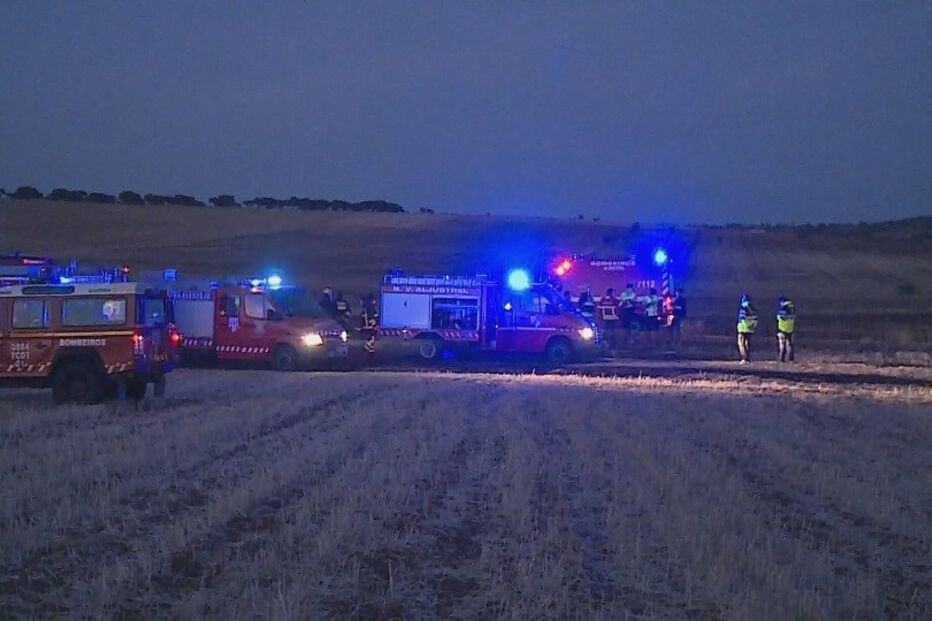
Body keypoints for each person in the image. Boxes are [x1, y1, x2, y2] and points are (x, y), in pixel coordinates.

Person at [596, 287, 621, 354]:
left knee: (606, 334)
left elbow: (599, 310)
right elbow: (619, 307)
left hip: (605, 319)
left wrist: (600, 318)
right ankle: (612, 350)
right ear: (611, 293)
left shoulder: (602, 300)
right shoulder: (615, 300)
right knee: (613, 335)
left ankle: (604, 349)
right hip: (613, 319)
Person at [736, 294, 758, 363]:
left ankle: (744, 359)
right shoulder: (753, 308)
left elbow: (742, 317)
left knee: (741, 343)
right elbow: (756, 318)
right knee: (747, 343)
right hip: (750, 328)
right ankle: (748, 359)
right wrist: (753, 325)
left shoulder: (743, 307)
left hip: (743, 328)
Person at [776, 296, 796, 362]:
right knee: (790, 344)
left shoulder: (783, 308)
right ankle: (791, 359)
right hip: (790, 328)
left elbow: (780, 317)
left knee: (782, 345)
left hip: (782, 328)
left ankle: (781, 359)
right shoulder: (792, 307)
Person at [620, 283, 637, 350]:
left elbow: (632, 301)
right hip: (625, 311)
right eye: (629, 288)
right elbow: (624, 301)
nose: (629, 289)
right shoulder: (623, 294)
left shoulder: (633, 294)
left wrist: (627, 301)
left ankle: (631, 340)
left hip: (630, 310)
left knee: (630, 326)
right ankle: (625, 340)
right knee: (625, 326)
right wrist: (628, 301)